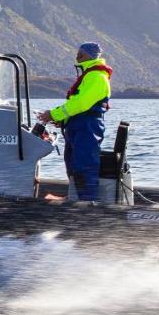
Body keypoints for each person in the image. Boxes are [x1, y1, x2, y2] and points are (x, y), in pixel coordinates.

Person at [38, 42, 113, 202]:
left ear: (90, 55)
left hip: (88, 128)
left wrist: (53, 114)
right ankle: (75, 197)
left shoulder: (97, 77)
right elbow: (76, 104)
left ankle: (86, 203)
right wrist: (62, 119)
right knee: (73, 164)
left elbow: (80, 104)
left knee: (84, 166)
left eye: (81, 53)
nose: (77, 56)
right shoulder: (89, 75)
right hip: (78, 127)